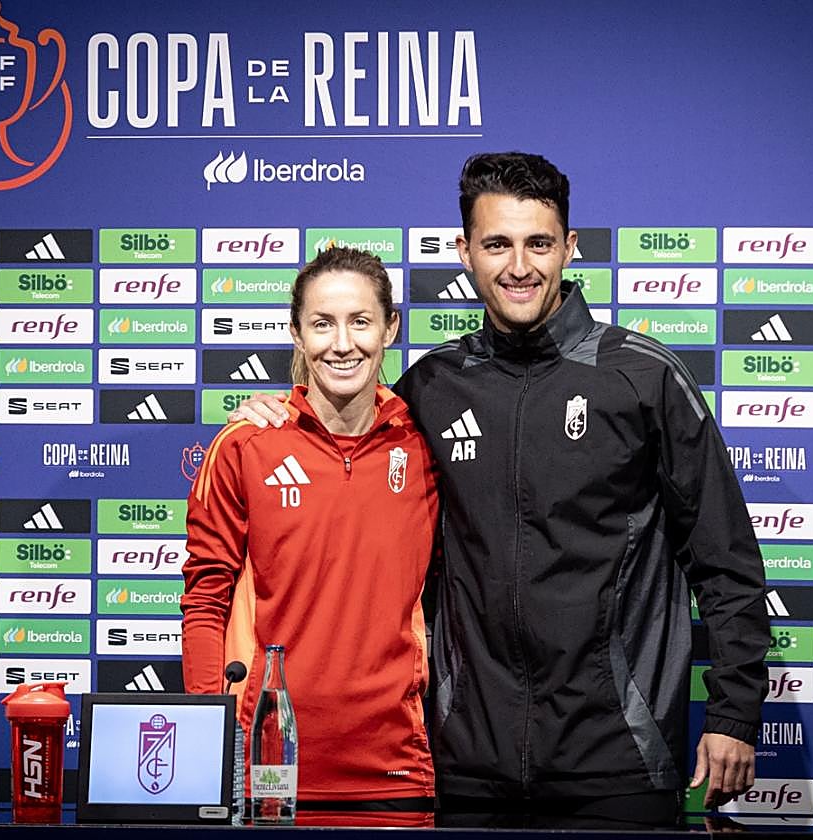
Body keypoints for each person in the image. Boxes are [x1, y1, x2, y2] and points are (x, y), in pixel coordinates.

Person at [232, 152, 769, 828]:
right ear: (465, 253)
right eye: (497, 245)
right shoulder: (431, 387)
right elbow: (345, 452)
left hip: (618, 764)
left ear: (569, 248)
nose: (519, 266)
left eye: (539, 243)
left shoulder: (643, 378)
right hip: (468, 769)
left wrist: (733, 714)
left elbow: (726, 560)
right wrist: (280, 415)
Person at [181, 247, 438, 821]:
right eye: (322, 324)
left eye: (360, 321)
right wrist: (208, 740)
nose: (342, 343)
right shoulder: (246, 445)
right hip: (265, 769)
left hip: (394, 769)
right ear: (296, 334)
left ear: (391, 328)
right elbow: (205, 599)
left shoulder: (426, 447)